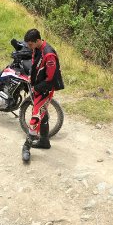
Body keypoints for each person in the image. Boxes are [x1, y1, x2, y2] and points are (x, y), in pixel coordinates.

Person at [21, 28, 64, 163]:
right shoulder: (37, 49)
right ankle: (44, 141)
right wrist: (31, 77)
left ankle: (26, 146)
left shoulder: (49, 54)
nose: (29, 47)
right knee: (43, 114)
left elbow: (50, 78)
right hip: (38, 86)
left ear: (38, 40)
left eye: (31, 44)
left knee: (35, 117)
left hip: (45, 89)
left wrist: (37, 88)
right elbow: (36, 66)